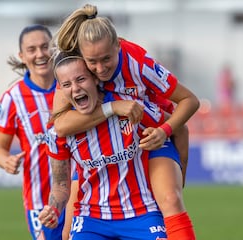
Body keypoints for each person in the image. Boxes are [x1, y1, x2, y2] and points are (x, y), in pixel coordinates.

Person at [51, 4, 199, 240]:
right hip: (100, 148)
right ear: (82, 55)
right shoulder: (74, 70)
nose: (100, 69)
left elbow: (189, 103)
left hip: (149, 131)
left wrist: (164, 131)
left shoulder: (138, 63)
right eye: (93, 62)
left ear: (118, 45)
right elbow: (60, 126)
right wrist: (113, 107)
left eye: (107, 59)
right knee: (70, 228)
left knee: (170, 199)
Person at [39, 52, 172, 239]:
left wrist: (165, 139)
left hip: (142, 213)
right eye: (67, 85)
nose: (75, 89)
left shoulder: (129, 107)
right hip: (91, 219)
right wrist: (53, 208)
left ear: (94, 78)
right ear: (61, 89)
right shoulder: (58, 132)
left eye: (81, 79)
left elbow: (174, 124)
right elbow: (61, 185)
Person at [0, 24, 68, 240]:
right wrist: (6, 160)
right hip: (39, 202)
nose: (40, 54)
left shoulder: (72, 85)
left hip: (78, 195)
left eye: (45, 47)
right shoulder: (12, 98)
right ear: (22, 56)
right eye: (32, 49)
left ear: (54, 49)